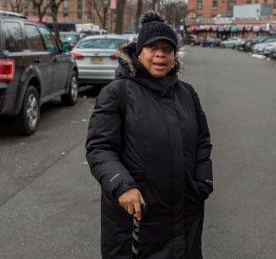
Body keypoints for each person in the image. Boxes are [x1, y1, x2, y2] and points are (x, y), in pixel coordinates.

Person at [86, 10, 213, 259]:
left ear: (175, 56)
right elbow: (100, 148)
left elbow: (202, 141)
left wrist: (203, 182)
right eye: (152, 47)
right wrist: (122, 186)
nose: (160, 54)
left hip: (185, 214)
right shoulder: (117, 93)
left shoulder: (187, 93)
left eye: (167, 49)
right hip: (139, 215)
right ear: (139, 51)